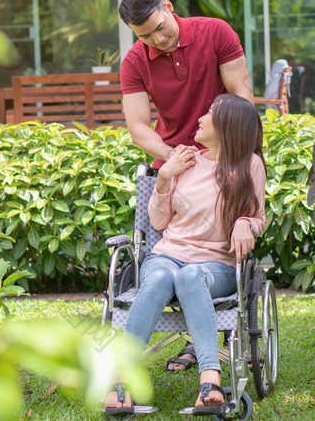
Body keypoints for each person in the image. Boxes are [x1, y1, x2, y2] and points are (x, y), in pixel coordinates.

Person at [104, 94, 267, 417]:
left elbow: (258, 217)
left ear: (227, 126)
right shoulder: (183, 161)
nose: (201, 117)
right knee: (163, 274)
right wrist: (164, 178)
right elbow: (159, 223)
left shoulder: (250, 165)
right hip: (168, 256)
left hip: (215, 266)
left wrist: (247, 223)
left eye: (210, 113)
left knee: (191, 276)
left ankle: (210, 377)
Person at [118, 0, 253, 171]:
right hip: (173, 164)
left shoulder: (216, 32)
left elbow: (242, 94)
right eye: (145, 36)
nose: (158, 40)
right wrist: (170, 155)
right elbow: (138, 127)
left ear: (168, 6)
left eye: (160, 27)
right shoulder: (133, 63)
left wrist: (229, 151)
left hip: (227, 157)